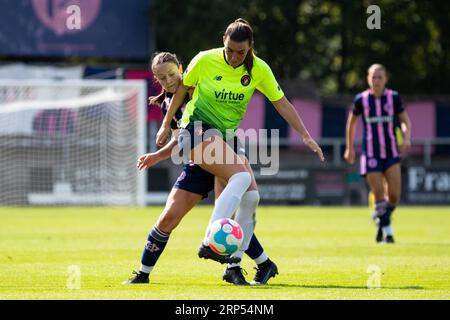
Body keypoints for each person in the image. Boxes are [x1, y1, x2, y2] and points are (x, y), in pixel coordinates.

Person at [156, 19, 324, 278]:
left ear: (250, 47)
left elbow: (282, 104)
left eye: (241, 52)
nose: (234, 57)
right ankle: (211, 240)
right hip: (197, 129)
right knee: (242, 177)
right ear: (223, 39)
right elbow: (181, 92)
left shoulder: (259, 69)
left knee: (250, 197)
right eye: (230, 50)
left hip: (226, 138)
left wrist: (305, 136)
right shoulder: (204, 60)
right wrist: (166, 125)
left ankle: (246, 265)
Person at [124, 52, 278, 286]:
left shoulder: (198, 87)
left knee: (230, 217)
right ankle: (143, 274)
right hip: (198, 161)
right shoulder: (169, 103)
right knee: (168, 218)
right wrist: (157, 155)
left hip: (224, 150)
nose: (168, 81)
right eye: (162, 78)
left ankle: (236, 269)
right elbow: (181, 141)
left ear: (182, 69)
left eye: (172, 74)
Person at [344, 64, 411, 243]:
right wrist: (349, 147)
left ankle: (380, 220)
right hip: (371, 154)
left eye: (380, 77)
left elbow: (405, 121)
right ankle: (388, 234)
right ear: (368, 79)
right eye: (373, 77)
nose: (376, 80)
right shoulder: (361, 100)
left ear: (386, 79)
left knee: (394, 195)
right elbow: (351, 123)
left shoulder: (394, 98)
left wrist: (406, 137)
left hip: (390, 153)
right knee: (379, 194)